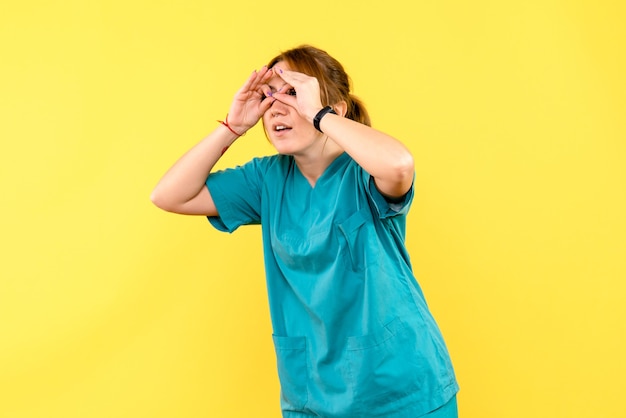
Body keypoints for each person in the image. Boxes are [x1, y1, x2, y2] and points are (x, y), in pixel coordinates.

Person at [151, 45, 459, 418]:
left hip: (400, 387)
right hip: (313, 392)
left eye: (292, 93)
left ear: (334, 109)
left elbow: (398, 165)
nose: (276, 107)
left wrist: (318, 114)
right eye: (268, 96)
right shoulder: (266, 179)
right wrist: (232, 128)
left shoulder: (363, 170)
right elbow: (169, 196)